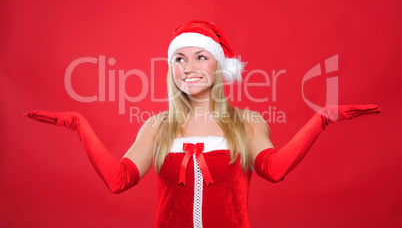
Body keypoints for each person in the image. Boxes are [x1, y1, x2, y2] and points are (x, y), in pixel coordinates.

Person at [25, 20, 381, 228]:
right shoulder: (156, 127)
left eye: (200, 57)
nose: (188, 67)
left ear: (219, 67)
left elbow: (274, 170)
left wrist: (322, 119)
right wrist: (78, 123)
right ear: (171, 68)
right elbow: (119, 181)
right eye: (179, 58)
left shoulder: (247, 123)